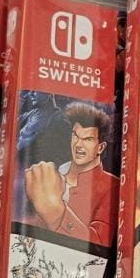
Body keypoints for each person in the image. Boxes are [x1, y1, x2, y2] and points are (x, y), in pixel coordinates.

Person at [24, 102, 116, 244]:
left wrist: (57, 214)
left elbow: (98, 245)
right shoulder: (50, 175)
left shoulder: (112, 186)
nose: (78, 145)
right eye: (75, 136)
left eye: (88, 139)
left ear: (101, 147)